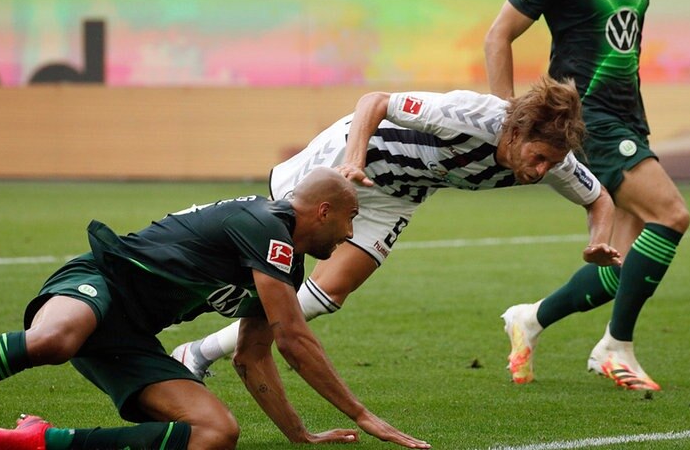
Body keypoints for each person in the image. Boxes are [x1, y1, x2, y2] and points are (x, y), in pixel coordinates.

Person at [0, 168, 430, 450]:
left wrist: (300, 435)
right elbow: (293, 339)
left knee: (216, 434)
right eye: (350, 219)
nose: (349, 234)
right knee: (56, 340)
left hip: (130, 337)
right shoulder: (264, 225)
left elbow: (253, 356)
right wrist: (364, 416)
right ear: (323, 211)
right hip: (98, 283)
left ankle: (38, 443)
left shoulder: (282, 268)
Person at [171, 76, 620, 378]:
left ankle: (199, 352)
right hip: (348, 163)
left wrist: (599, 241)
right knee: (270, 255)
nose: (542, 171)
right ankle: (168, 264)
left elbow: (599, 198)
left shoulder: (556, 160)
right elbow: (375, 102)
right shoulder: (467, 116)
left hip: (398, 194)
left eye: (551, 163)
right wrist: (353, 160)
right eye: (537, 157)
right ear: (517, 132)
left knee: (330, 294)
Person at [484, 0, 690, 392]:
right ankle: (614, 348)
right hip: (586, 119)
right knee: (672, 214)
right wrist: (506, 122)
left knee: (616, 267)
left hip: (630, 117)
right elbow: (498, 35)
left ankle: (530, 319)